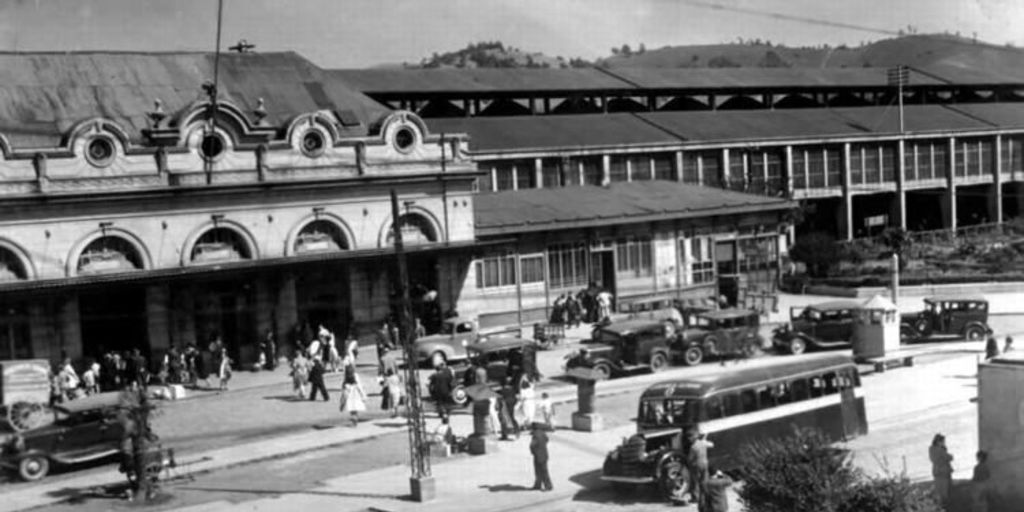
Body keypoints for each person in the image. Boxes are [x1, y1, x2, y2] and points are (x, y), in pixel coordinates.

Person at [687, 429, 715, 505]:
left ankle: (696, 498)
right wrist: (704, 441)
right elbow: (712, 445)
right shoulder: (703, 443)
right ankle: (707, 495)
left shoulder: (693, 447)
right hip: (705, 463)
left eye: (689, 437)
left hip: (696, 465)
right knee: (704, 480)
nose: (688, 439)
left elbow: (690, 458)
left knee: (695, 481)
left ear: (692, 438)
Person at [339, 358, 367, 426]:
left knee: (351, 408)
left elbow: (343, 388)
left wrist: (341, 401)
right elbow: (359, 386)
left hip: (349, 393)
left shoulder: (345, 378)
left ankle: (354, 419)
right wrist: (363, 395)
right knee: (356, 408)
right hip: (356, 393)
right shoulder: (355, 376)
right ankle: (355, 419)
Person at [930, 433, 954, 509]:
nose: (944, 443)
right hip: (941, 474)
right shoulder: (937, 449)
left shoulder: (936, 449)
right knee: (943, 494)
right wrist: (945, 453)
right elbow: (948, 457)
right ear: (938, 441)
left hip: (942, 473)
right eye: (943, 441)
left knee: (943, 494)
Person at [529, 422, 553, 492]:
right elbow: (547, 439)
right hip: (544, 455)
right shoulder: (542, 433)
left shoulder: (536, 435)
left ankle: (547, 486)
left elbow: (532, 445)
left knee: (539, 471)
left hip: (538, 456)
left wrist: (533, 451)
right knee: (544, 471)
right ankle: (540, 485)